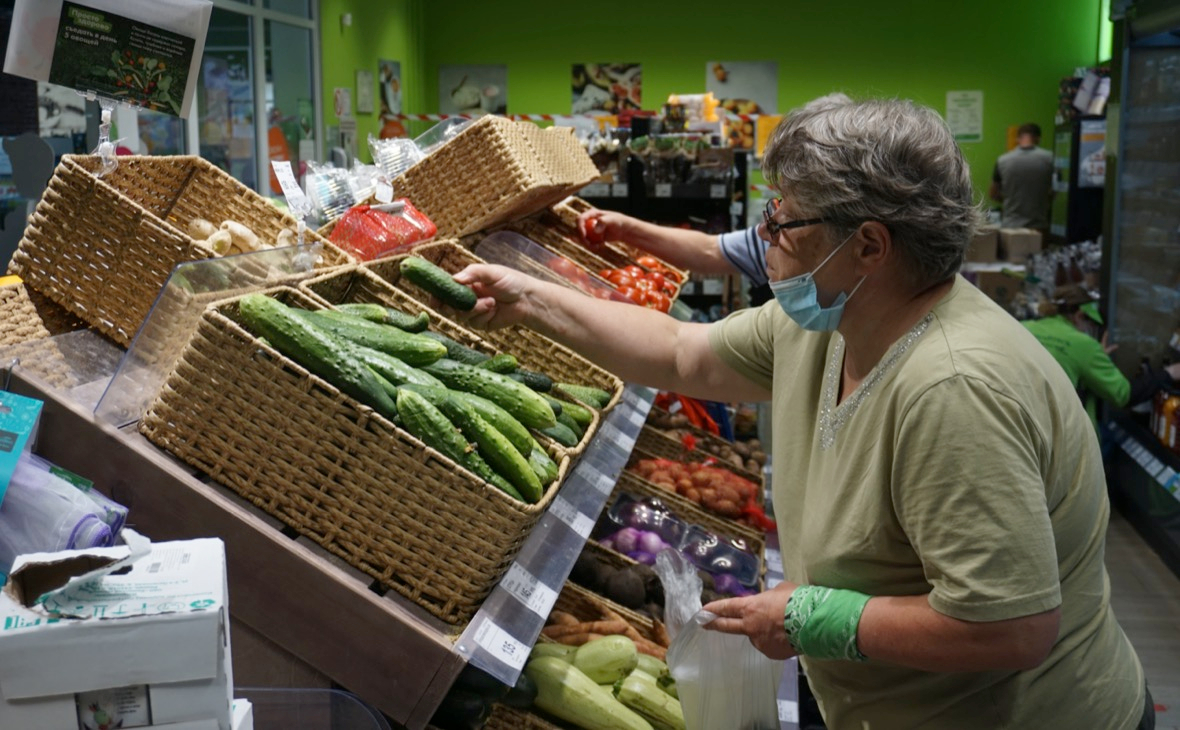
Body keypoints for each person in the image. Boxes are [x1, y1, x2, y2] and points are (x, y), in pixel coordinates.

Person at [453, 98, 1151, 729]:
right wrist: (529, 300)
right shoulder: (827, 322)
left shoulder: (953, 390)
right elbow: (679, 353)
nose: (766, 238)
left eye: (784, 221)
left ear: (869, 247)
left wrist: (811, 614)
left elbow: (1012, 627)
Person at [576, 93, 854, 300]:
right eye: (779, 201)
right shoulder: (786, 246)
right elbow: (710, 249)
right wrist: (625, 228)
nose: (764, 231)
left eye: (793, 212)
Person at [1024, 284, 1180, 430]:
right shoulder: (1084, 345)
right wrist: (1169, 373)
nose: (1089, 329)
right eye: (1090, 324)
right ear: (1079, 316)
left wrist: (1094, 360)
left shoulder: (1025, 326)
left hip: (1024, 422)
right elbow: (1123, 395)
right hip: (1062, 435)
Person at [989, 122, 1054, 232]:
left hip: (1011, 227)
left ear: (1018, 139)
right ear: (1038, 139)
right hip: (1039, 226)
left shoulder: (1003, 160)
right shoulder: (1049, 159)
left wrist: (1010, 201)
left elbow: (993, 194)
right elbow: (1055, 191)